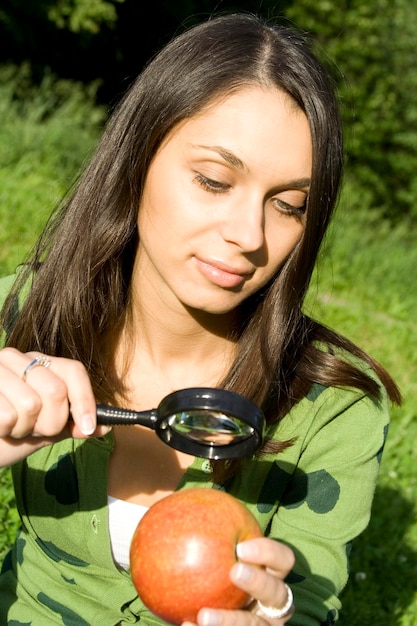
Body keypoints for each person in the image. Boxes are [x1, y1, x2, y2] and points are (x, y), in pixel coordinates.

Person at [0, 11, 401, 626]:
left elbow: (310, 601)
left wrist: (282, 614)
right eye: (214, 181)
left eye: (289, 205)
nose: (248, 235)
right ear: (137, 161)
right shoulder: (23, 319)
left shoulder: (330, 408)